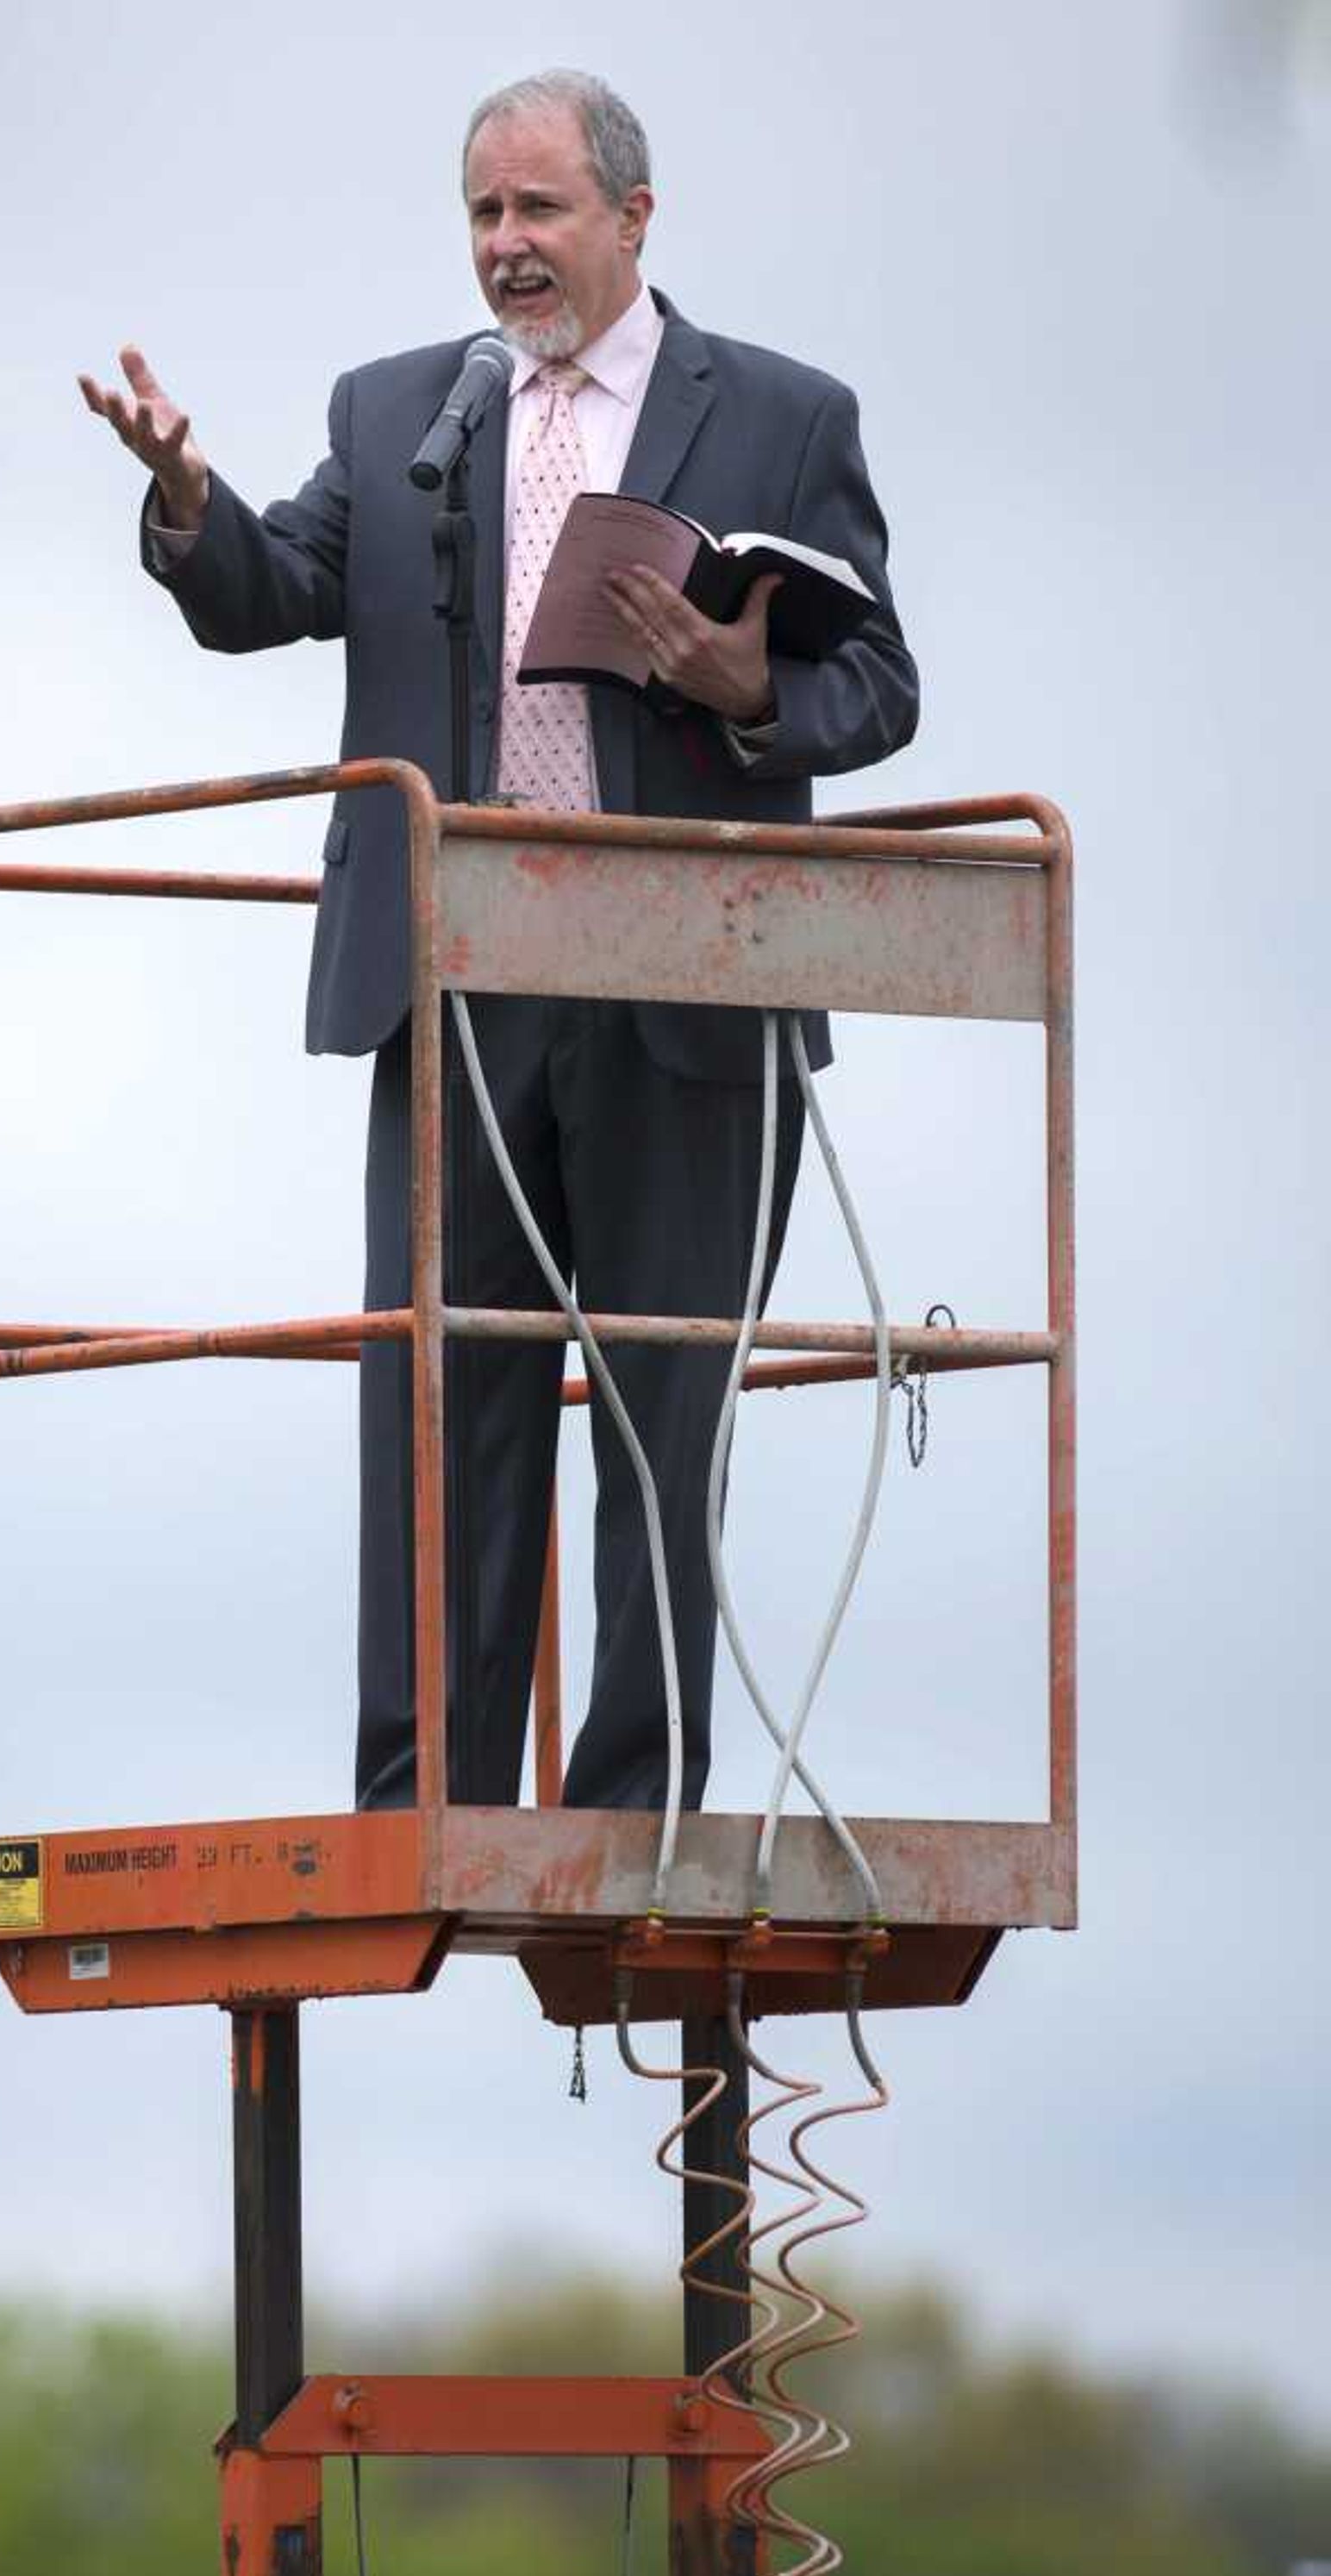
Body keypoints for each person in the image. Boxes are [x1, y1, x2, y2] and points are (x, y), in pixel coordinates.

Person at [79, 69, 918, 1816]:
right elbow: (268, 592)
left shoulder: (778, 413)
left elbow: (878, 685)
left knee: (659, 1409)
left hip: (686, 990)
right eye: (483, 214)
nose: (508, 248)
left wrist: (741, 680)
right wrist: (181, 495)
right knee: (438, 1393)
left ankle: (629, 1810)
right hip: (452, 988)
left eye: (539, 210)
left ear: (633, 217)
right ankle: (431, 1794)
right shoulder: (409, 409)